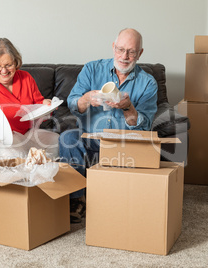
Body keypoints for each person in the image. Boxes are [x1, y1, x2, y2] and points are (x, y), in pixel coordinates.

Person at [59, 28, 158, 223]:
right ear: (113, 47)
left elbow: (143, 127)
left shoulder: (148, 83)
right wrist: (87, 99)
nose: (124, 56)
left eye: (131, 51)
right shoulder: (92, 69)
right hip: (92, 140)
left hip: (125, 144)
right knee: (68, 137)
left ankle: (119, 196)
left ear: (140, 53)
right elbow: (72, 103)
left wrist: (128, 107)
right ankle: (77, 199)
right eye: (120, 49)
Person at [0, 37, 59, 160]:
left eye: (9, 65)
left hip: (23, 135)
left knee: (58, 143)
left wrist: (45, 105)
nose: (4, 71)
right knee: (14, 155)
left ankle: (42, 176)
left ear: (16, 62)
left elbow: (38, 105)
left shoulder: (26, 78)